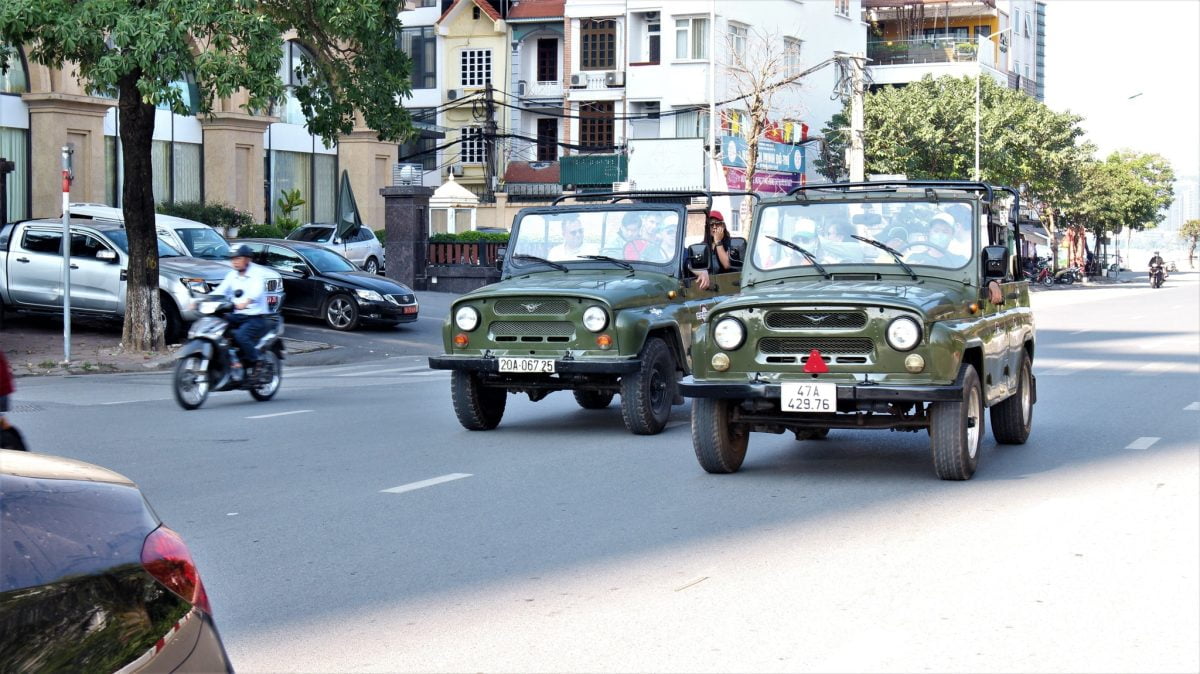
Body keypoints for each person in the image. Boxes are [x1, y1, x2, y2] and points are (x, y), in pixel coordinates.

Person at [213, 245, 273, 380]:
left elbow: (256, 291)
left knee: (241, 336)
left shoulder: (256, 274)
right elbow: (220, 291)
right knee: (216, 327)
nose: (235, 261)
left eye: (238, 258)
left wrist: (246, 302)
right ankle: (232, 359)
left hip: (255, 317)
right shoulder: (232, 275)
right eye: (233, 258)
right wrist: (202, 300)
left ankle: (257, 361)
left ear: (247, 259)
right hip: (237, 315)